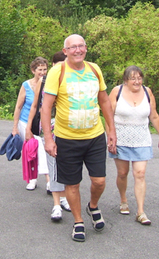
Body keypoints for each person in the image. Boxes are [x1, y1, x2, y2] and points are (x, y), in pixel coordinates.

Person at [41, 34, 117, 242]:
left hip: (94, 136)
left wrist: (111, 130)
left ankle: (92, 206)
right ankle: (78, 221)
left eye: (80, 46)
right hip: (67, 138)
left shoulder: (94, 69)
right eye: (72, 47)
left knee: (99, 181)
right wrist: (49, 138)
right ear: (65, 51)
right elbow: (46, 107)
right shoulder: (58, 71)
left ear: (85, 48)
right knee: (72, 185)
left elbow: (105, 102)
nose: (77, 50)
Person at [108, 66, 159, 226]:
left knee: (140, 174)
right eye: (133, 78)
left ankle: (141, 211)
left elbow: (153, 115)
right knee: (122, 173)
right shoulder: (116, 91)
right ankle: (123, 200)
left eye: (139, 78)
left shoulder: (147, 92)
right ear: (125, 80)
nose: (137, 81)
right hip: (121, 139)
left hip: (142, 139)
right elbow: (108, 115)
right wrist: (110, 137)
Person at [25, 51, 71, 222]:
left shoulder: (71, 81)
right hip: (49, 128)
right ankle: (57, 204)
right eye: (58, 64)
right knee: (53, 165)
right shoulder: (43, 82)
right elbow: (35, 106)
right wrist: (29, 128)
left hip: (68, 128)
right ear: (53, 65)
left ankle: (65, 198)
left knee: (66, 164)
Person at [12, 57, 49, 191]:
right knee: (31, 151)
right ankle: (32, 179)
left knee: (43, 151)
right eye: (40, 69)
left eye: (45, 69)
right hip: (25, 122)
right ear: (33, 70)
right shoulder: (26, 85)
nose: (43, 72)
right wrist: (15, 127)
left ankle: (49, 181)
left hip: (41, 123)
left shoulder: (49, 84)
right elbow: (18, 107)